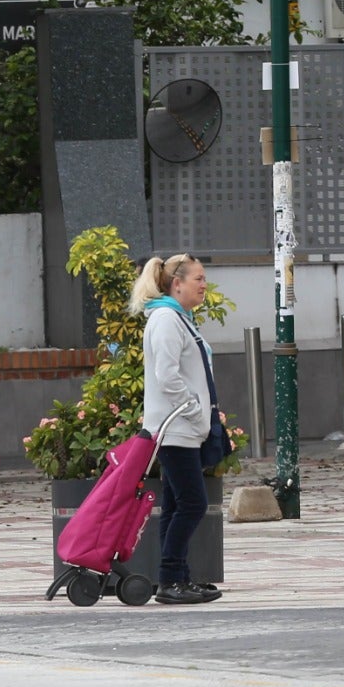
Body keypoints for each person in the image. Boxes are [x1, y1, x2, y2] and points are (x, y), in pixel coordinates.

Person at [129, 253, 224, 606]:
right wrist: (195, 410)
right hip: (175, 428)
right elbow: (167, 376)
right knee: (193, 503)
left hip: (183, 427)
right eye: (198, 278)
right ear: (177, 283)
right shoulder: (167, 319)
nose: (204, 285)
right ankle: (171, 578)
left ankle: (176, 577)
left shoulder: (178, 318)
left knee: (175, 504)